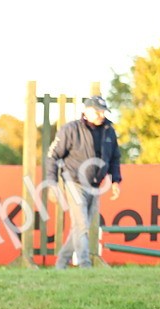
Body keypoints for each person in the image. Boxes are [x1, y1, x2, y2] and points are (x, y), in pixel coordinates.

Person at [46, 96, 122, 268]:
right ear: (86, 111)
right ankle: (85, 265)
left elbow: (115, 157)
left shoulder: (109, 130)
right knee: (82, 225)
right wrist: (52, 183)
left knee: (80, 227)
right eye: (97, 111)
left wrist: (115, 180)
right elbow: (52, 156)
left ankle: (61, 263)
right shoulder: (70, 129)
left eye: (103, 112)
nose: (101, 115)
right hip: (74, 182)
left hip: (95, 186)